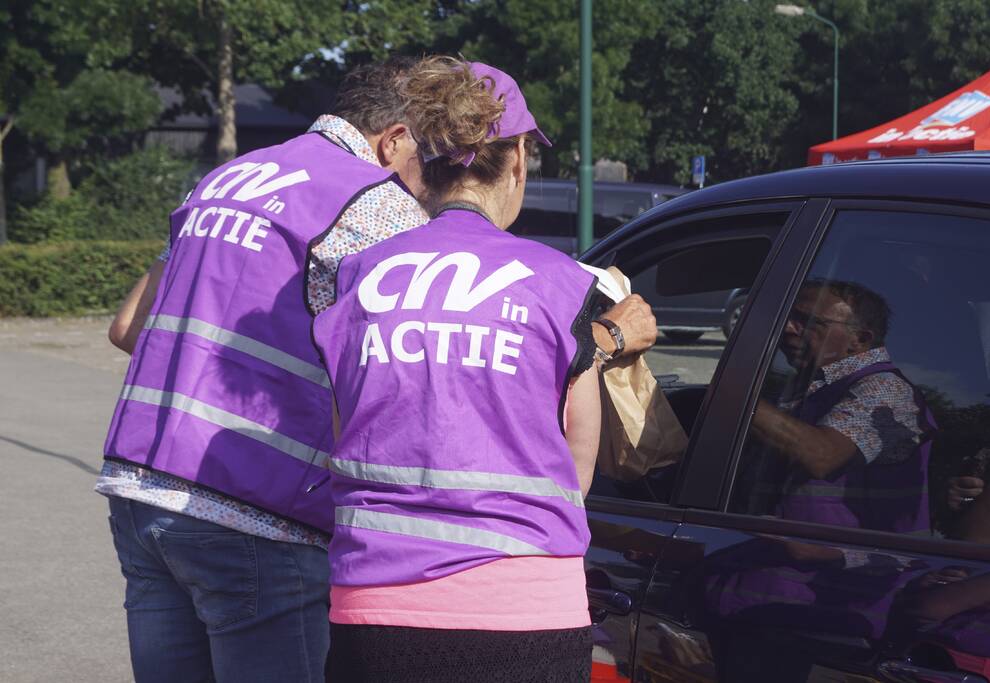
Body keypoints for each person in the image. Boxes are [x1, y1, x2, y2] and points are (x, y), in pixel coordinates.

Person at [100, 56, 656, 682]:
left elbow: (128, 329)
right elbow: (444, 368)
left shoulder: (230, 174)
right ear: (395, 141)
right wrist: (603, 338)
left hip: (140, 486)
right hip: (253, 505)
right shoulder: (369, 205)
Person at [313, 58, 606, 682]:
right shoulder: (564, 284)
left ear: (422, 161)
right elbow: (577, 467)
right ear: (519, 160)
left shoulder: (359, 276)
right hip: (525, 611)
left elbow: (345, 429)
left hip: (374, 608)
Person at [748, 279, 936, 533]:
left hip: (843, 566)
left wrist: (736, 392)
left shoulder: (884, 388)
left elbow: (823, 456)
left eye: (808, 321)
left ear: (859, 338)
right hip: (781, 551)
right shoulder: (808, 383)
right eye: (787, 317)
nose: (788, 328)